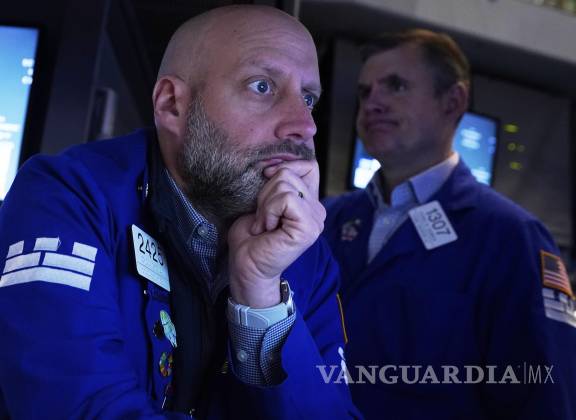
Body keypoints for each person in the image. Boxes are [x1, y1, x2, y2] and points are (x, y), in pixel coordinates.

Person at [0, 5, 358, 419]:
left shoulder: (306, 252)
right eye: (262, 86)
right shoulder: (68, 196)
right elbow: (80, 409)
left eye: (308, 98)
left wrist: (260, 292)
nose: (305, 125)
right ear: (172, 104)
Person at [323, 29, 576, 419]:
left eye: (396, 86)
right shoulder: (326, 220)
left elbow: (549, 401)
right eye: (364, 91)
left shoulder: (511, 237)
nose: (373, 102)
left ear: (453, 101)